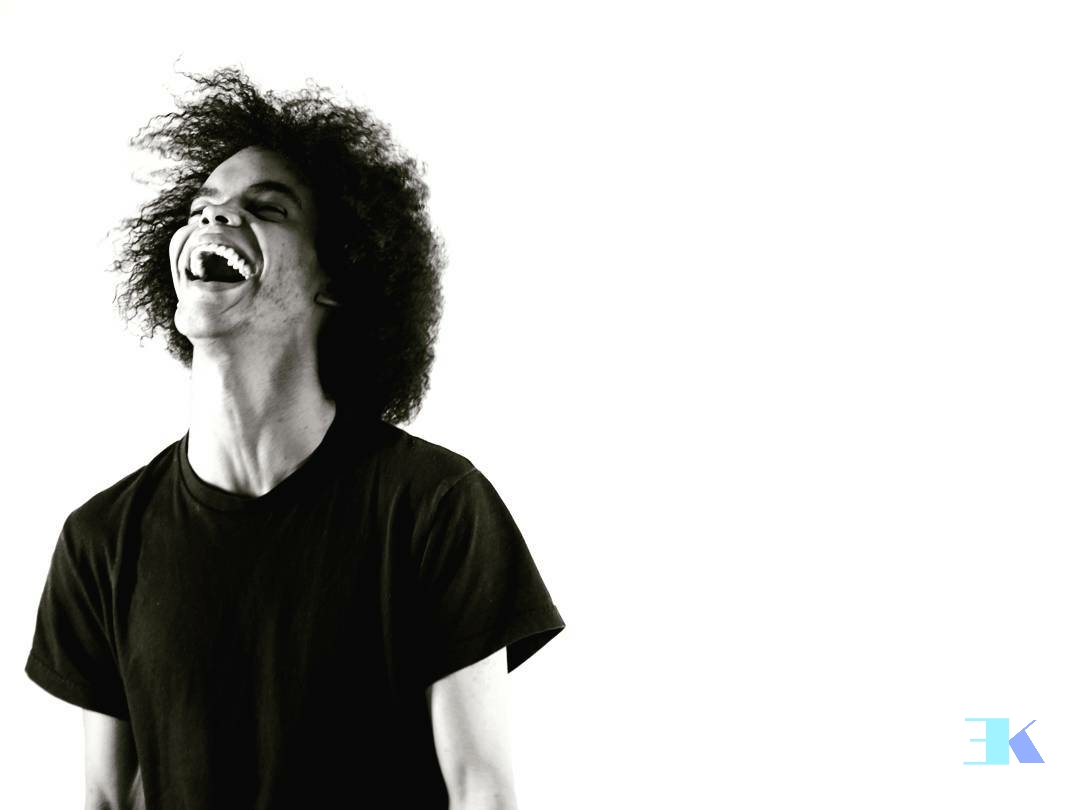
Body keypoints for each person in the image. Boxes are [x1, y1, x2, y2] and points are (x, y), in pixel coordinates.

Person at [25, 67, 565, 810]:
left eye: (266, 207)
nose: (214, 217)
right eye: (202, 207)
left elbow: (481, 791)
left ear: (337, 275)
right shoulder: (102, 540)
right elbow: (108, 800)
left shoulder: (433, 506)